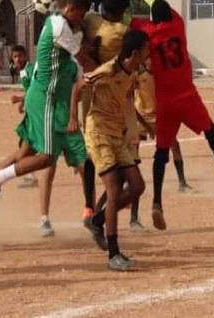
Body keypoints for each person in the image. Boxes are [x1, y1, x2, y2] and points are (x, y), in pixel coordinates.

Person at [0, 0, 90, 225]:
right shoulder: (60, 27)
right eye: (81, 14)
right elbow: (83, 55)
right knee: (46, 158)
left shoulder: (59, 26)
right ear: (71, 9)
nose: (81, 19)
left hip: (43, 99)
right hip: (45, 100)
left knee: (25, 154)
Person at [128, 0, 214, 231]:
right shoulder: (178, 23)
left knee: (160, 153)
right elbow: (156, 0)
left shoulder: (149, 31)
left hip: (165, 101)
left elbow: (129, 20)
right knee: (210, 129)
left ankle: (157, 203)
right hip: (187, 95)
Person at [77, 30, 149, 271]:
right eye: (146, 50)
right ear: (136, 53)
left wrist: (139, 125)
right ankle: (113, 254)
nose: (148, 54)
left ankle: (97, 220)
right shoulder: (108, 70)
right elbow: (79, 86)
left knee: (137, 186)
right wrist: (72, 119)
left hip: (117, 134)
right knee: (114, 189)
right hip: (98, 133)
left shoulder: (132, 73)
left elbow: (124, 101)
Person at [82, 0, 144, 232]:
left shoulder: (90, 21)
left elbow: (92, 7)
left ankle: (89, 207)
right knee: (127, 160)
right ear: (122, 11)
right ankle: (109, 215)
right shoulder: (122, 32)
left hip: (91, 92)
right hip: (117, 96)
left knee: (91, 152)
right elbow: (136, 38)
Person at [134, 62, 190, 194]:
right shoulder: (138, 75)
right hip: (142, 117)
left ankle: (182, 182)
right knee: (134, 148)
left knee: (174, 146)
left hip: (159, 116)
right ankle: (131, 181)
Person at [9, 45, 39, 190]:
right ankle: (30, 175)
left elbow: (35, 89)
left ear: (26, 56)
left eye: (20, 56)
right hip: (32, 111)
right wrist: (23, 103)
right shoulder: (23, 71)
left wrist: (19, 99)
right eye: (15, 57)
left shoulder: (29, 70)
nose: (17, 59)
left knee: (26, 144)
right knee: (24, 143)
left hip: (36, 112)